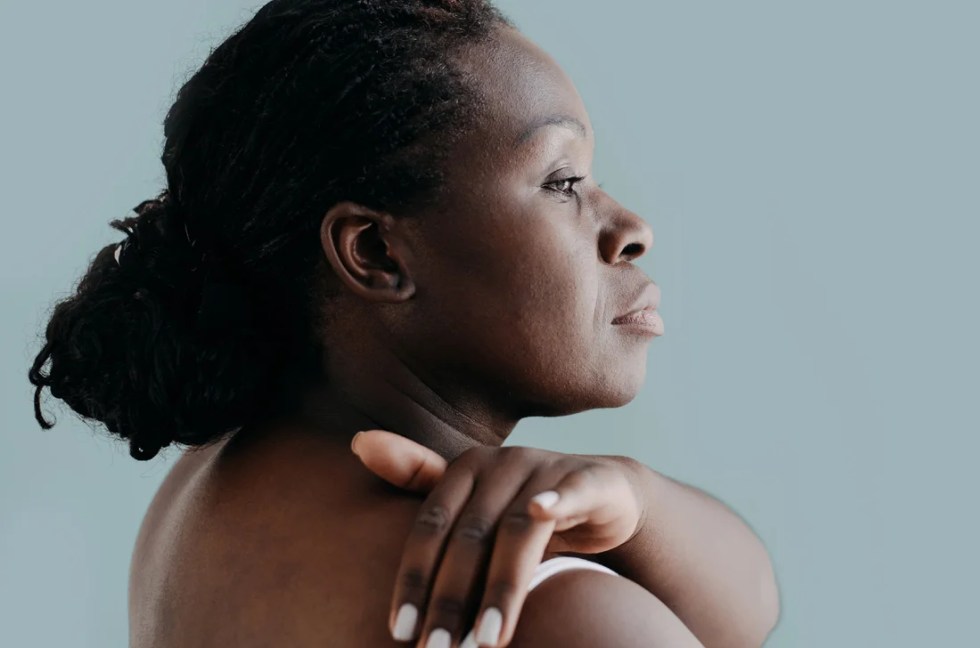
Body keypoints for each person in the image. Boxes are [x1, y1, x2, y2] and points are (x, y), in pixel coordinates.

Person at [28, 1, 779, 646]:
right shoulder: (541, 611)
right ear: (376, 252)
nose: (631, 229)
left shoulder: (212, 493)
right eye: (561, 182)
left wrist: (636, 500)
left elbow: (744, 611)